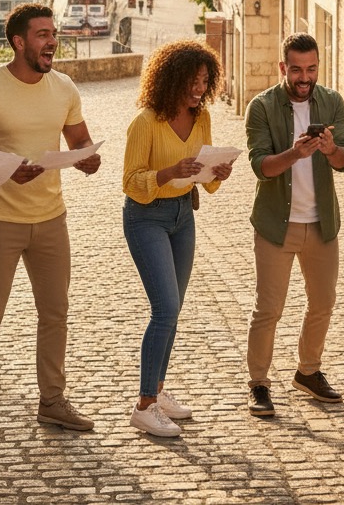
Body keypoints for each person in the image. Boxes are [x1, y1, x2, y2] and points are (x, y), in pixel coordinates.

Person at [0, 3, 102, 446]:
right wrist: (8, 168)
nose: (52, 41)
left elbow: (79, 142)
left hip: (51, 218)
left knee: (55, 314)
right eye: (42, 34)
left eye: (53, 33)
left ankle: (52, 401)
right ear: (18, 42)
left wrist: (88, 159)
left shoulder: (64, 87)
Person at [123, 40, 233, 437]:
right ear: (171, 79)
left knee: (174, 310)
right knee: (165, 308)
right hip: (146, 217)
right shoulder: (146, 122)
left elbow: (203, 175)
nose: (199, 88)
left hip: (183, 215)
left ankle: (159, 389)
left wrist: (217, 174)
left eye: (205, 81)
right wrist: (169, 172)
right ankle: (145, 405)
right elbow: (131, 182)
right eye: (192, 80)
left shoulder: (201, 118)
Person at [244, 32, 344, 416]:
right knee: (268, 309)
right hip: (276, 224)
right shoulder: (261, 106)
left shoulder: (332, 102)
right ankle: (258, 382)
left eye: (310, 69)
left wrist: (329, 149)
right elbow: (260, 166)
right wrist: (295, 152)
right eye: (296, 70)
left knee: (323, 303)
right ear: (283, 68)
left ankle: (308, 371)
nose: (304, 77)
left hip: (322, 224)